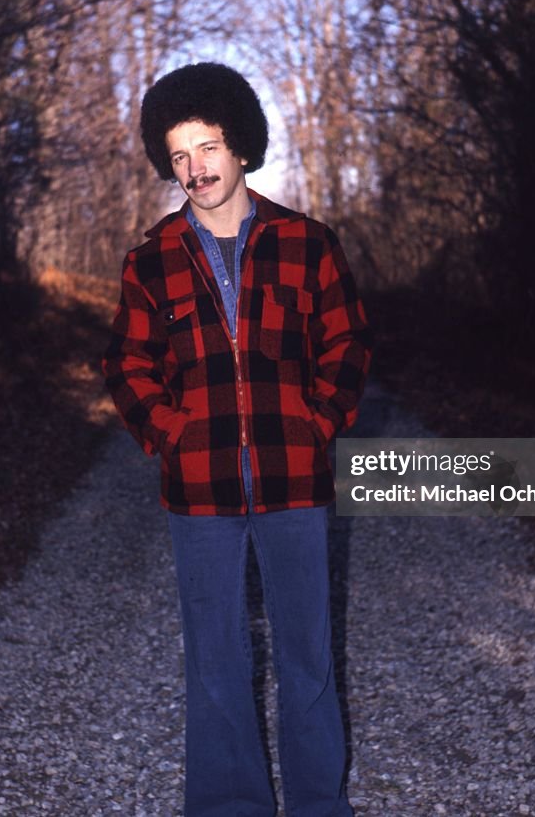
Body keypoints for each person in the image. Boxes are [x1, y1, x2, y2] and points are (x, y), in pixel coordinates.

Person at [102, 62, 372, 817]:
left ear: (242, 148)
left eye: (209, 147)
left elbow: (348, 349)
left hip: (295, 486)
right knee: (217, 666)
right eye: (180, 155)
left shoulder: (307, 244)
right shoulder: (150, 259)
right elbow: (126, 363)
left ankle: (321, 806)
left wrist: (316, 426)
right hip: (201, 496)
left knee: (307, 660)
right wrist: (171, 435)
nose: (196, 168)